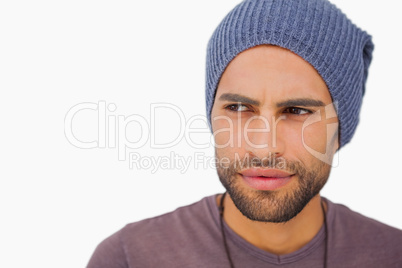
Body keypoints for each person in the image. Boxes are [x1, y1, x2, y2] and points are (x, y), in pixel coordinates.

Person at [87, 0, 402, 267]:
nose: (264, 147)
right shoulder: (131, 258)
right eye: (238, 108)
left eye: (297, 111)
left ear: (340, 128)